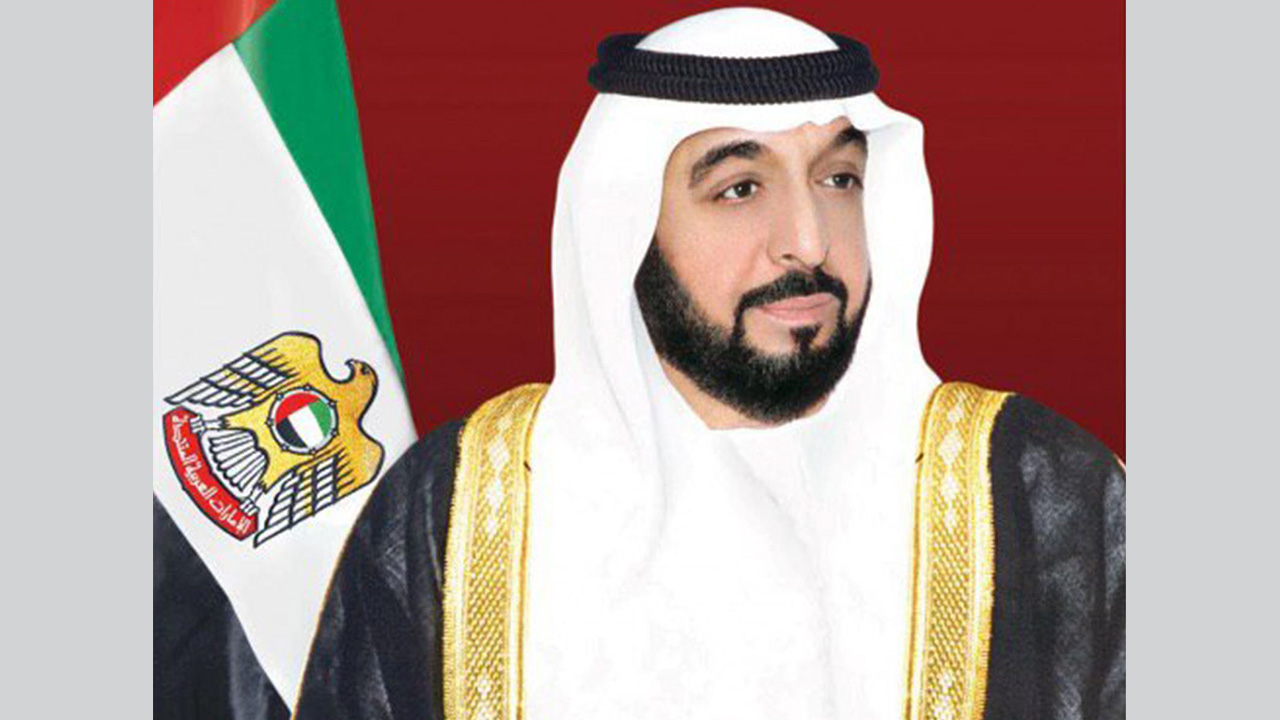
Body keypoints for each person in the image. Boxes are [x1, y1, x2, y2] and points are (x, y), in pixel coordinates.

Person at [294, 8, 1124, 720]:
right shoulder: (457, 506)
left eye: (839, 179)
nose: (808, 240)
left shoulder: (1039, 491)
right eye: (739, 189)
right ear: (628, 225)